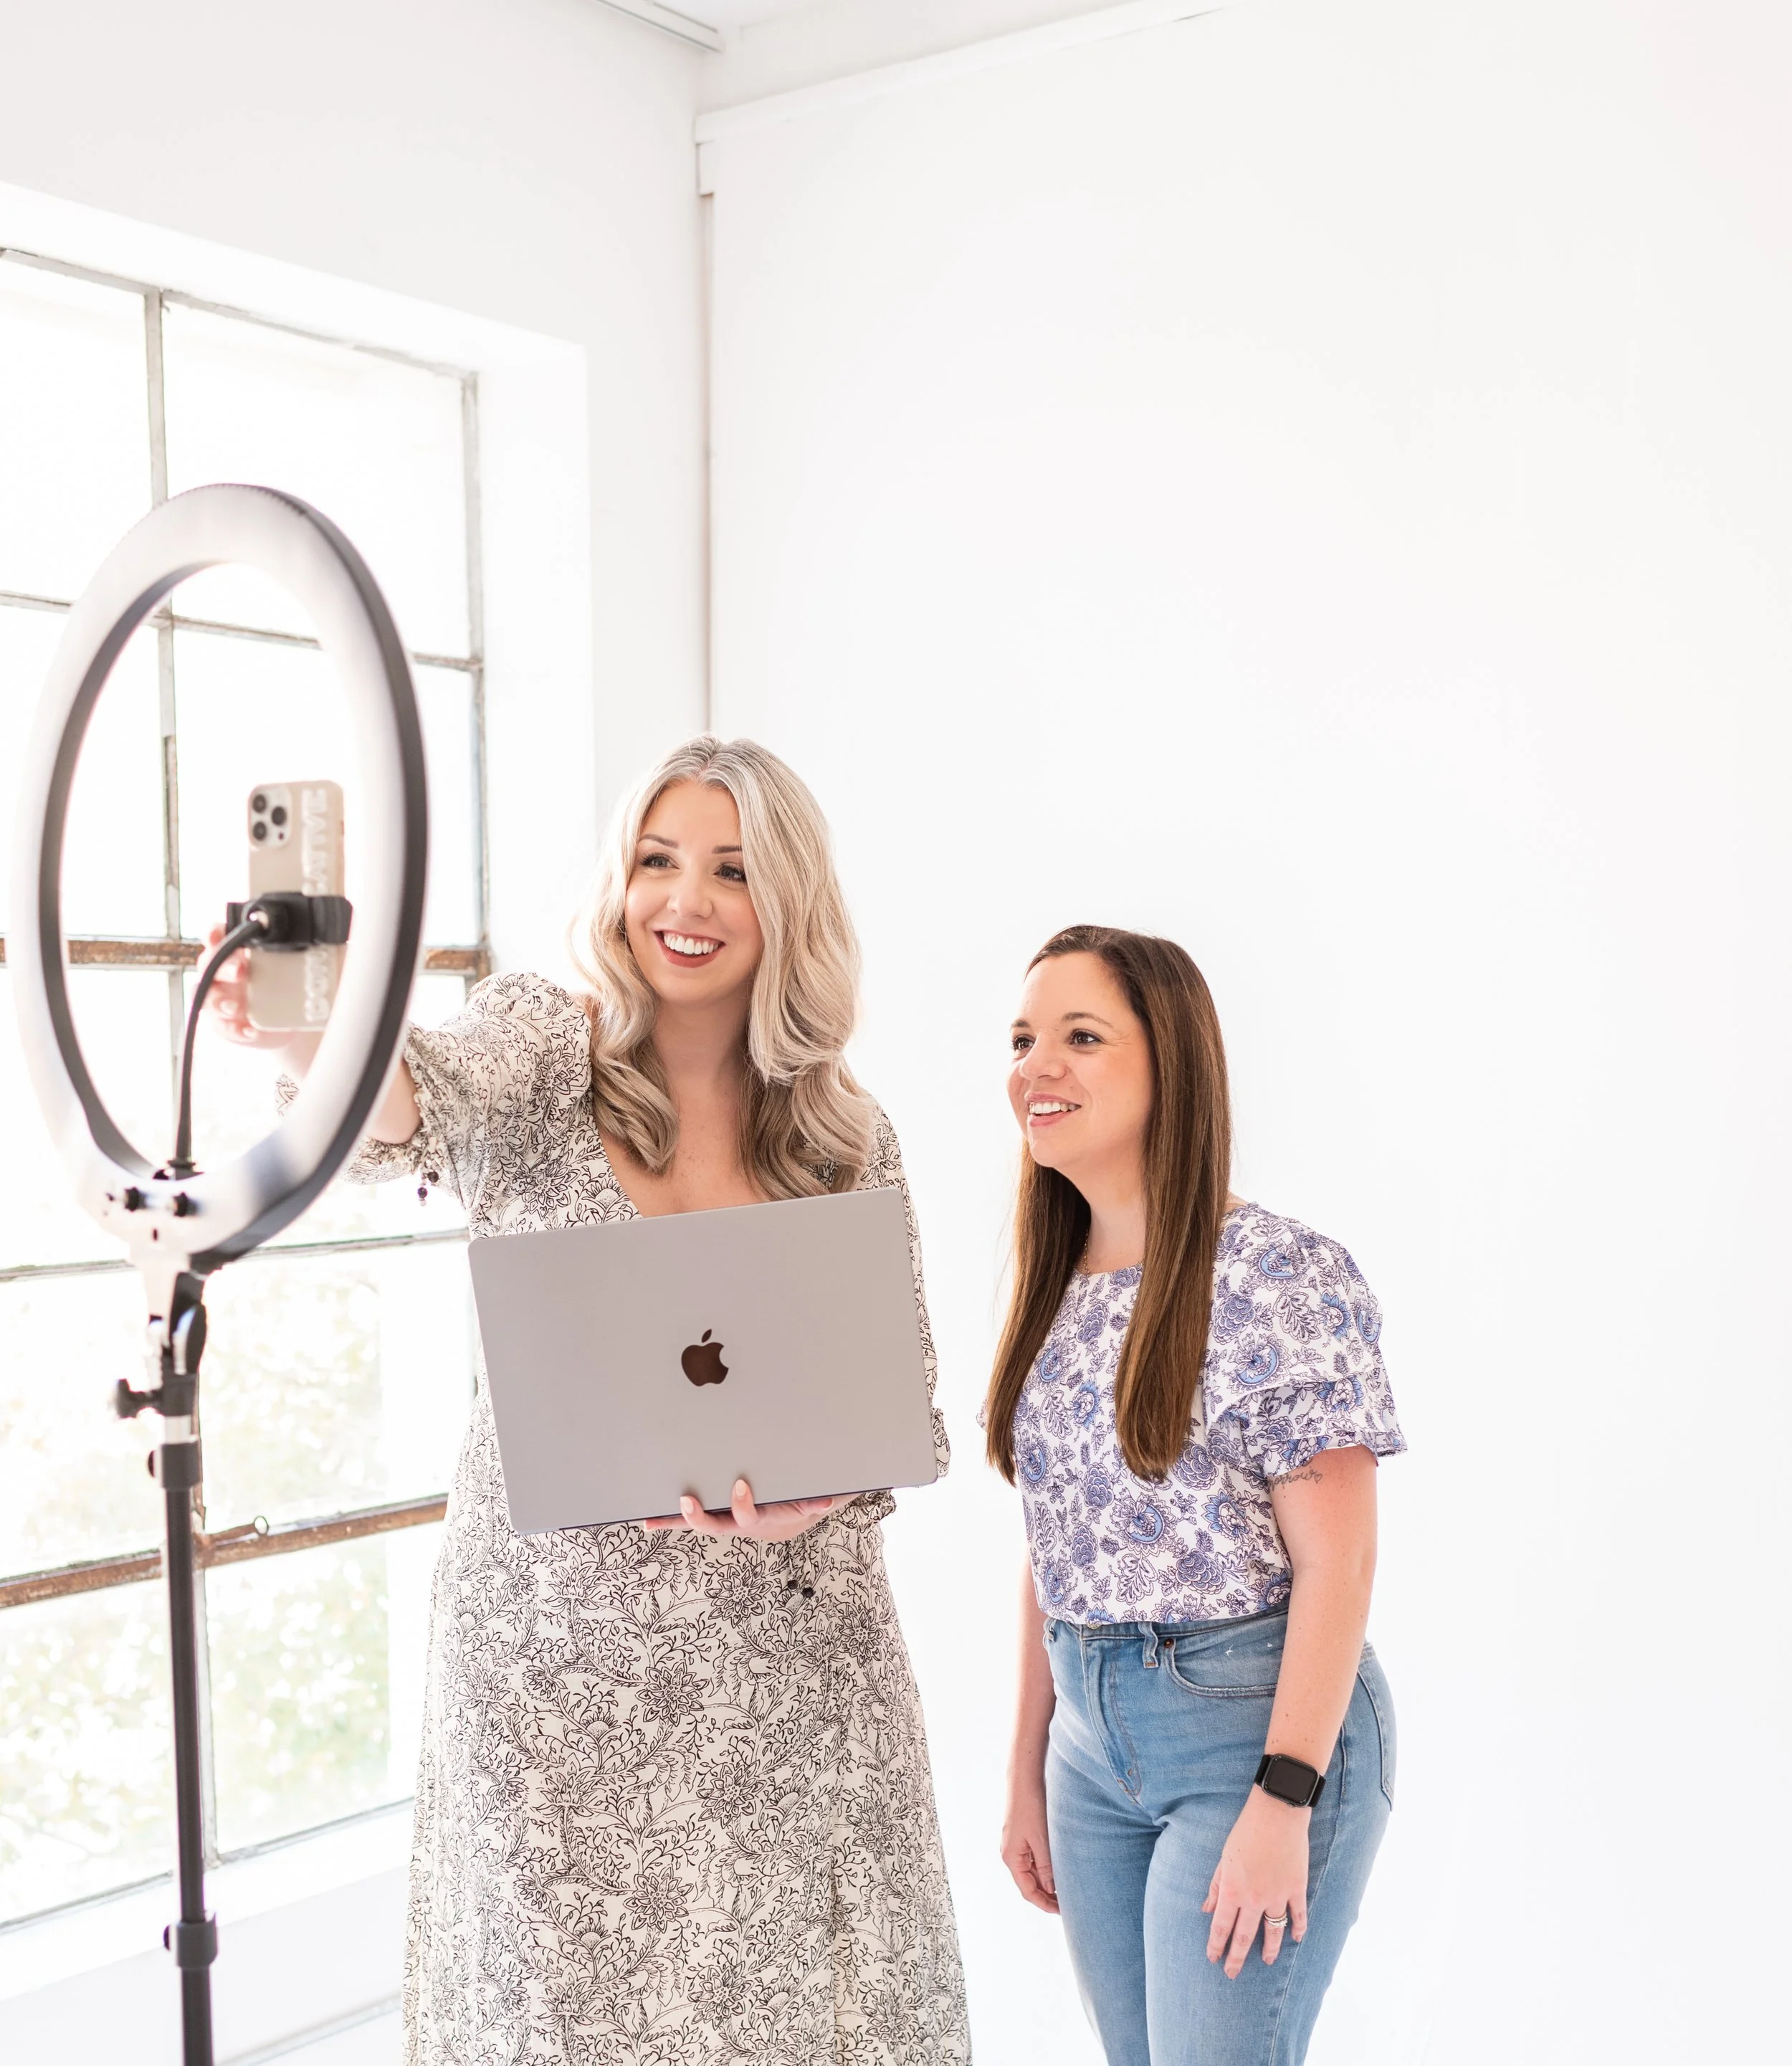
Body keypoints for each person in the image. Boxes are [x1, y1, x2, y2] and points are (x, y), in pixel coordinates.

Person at [206, 736, 969, 2066]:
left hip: (792, 1690)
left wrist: (817, 1500)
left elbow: (899, 1409)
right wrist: (315, 1037)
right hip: (559, 1694)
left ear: (788, 902)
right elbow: (402, 1111)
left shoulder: (847, 1132)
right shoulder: (540, 1049)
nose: (686, 901)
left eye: (731, 872)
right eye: (657, 862)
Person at [986, 925, 1403, 2066]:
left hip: (1248, 1738)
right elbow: (1055, 1547)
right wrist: (1027, 1767)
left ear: (1170, 1062)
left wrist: (1286, 1800)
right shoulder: (1055, 1283)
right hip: (1090, 1749)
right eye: (1023, 1039)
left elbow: (1340, 1565)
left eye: (1081, 1036)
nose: (1036, 1067)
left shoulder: (1277, 1273)